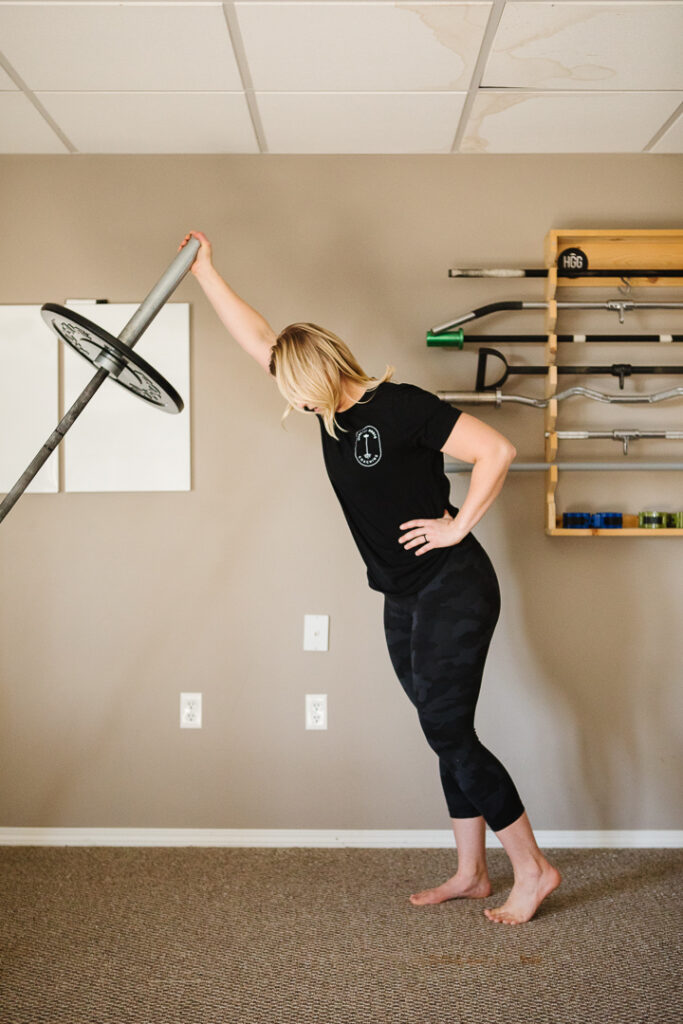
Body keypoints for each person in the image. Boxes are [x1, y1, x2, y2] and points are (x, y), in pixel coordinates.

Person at [179, 230, 562, 925]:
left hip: (453, 583)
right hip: (401, 594)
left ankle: (532, 870)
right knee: (439, 727)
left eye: (296, 391)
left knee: (449, 730)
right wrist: (206, 270)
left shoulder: (401, 405)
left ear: (322, 371)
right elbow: (258, 335)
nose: (293, 404)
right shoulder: (325, 410)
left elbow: (495, 450)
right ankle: (472, 873)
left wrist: (456, 525)